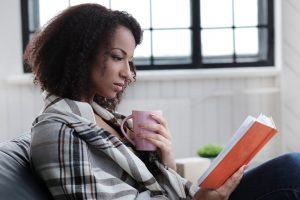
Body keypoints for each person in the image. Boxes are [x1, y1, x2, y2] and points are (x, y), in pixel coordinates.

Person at [24, 3, 300, 200]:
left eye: (130, 62)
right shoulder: (58, 131)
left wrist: (166, 160)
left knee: (291, 167)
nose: (128, 73)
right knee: (291, 171)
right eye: (118, 57)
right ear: (78, 55)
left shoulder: (104, 118)